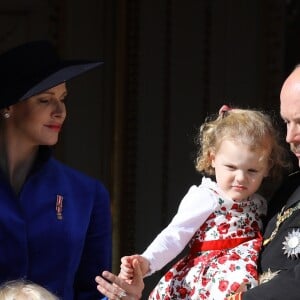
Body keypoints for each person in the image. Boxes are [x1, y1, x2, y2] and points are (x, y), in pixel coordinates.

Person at [95, 65, 300, 300]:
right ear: (213, 158)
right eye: (231, 167)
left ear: (268, 168)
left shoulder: (262, 202)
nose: (241, 178)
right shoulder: (207, 196)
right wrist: (146, 262)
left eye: (252, 170)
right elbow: (176, 234)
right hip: (205, 281)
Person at [0, 40, 112, 300]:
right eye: (44, 100)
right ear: (8, 105)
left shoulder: (87, 194)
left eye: (62, 99)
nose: (60, 111)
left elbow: (94, 292)